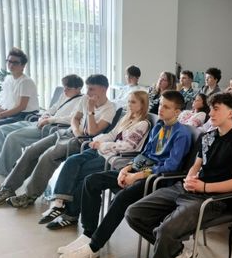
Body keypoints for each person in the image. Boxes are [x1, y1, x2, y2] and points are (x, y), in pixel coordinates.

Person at [126, 93, 232, 258]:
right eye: (210, 109)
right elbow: (196, 165)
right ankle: (178, 252)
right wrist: (189, 179)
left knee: (166, 230)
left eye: (216, 109)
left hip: (214, 199)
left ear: (230, 113)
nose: (210, 113)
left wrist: (204, 187)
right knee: (134, 213)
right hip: (189, 189)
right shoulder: (208, 136)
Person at [57, 90, 192, 258]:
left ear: (177, 111)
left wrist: (136, 176)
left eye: (166, 107)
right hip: (140, 170)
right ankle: (88, 233)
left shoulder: (182, 134)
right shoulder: (159, 126)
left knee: (121, 198)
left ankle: (94, 247)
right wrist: (127, 168)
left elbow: (170, 167)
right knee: (91, 181)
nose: (160, 109)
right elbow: (145, 154)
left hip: (157, 180)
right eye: (160, 104)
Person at [0, 74, 116, 207]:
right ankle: (7, 188)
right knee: (31, 150)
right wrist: (76, 131)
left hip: (82, 142)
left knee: (48, 156)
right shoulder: (85, 99)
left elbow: (93, 131)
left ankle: (29, 195)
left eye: (92, 89)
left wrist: (90, 110)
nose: (87, 92)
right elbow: (75, 119)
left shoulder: (109, 109)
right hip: (69, 133)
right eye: (87, 88)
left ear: (104, 89)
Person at [40, 90, 150, 229]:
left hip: (113, 158)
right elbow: (111, 135)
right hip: (102, 150)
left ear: (142, 105)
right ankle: (59, 202)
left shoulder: (142, 124)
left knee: (81, 176)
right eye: (128, 101)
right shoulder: (126, 118)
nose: (129, 104)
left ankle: (70, 216)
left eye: (133, 102)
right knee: (72, 161)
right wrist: (97, 140)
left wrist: (102, 145)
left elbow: (128, 146)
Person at [0, 74, 83, 177]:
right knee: (1, 130)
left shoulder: (82, 101)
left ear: (78, 89)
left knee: (13, 137)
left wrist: (49, 120)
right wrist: (45, 116)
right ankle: (3, 165)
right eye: (64, 87)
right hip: (41, 122)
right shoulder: (64, 95)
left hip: (51, 127)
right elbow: (52, 108)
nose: (64, 90)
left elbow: (71, 119)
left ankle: (4, 173)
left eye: (68, 89)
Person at [0, 47, 39, 128]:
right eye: (9, 61)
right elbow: (4, 104)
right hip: (13, 113)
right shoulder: (8, 79)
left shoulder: (25, 81)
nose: (11, 65)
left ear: (23, 65)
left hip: (26, 115)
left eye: (15, 63)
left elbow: (21, 107)